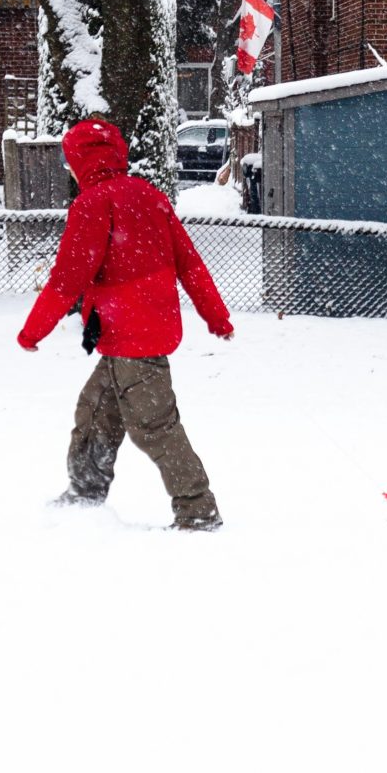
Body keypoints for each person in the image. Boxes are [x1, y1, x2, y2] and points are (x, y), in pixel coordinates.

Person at [19, 118, 235, 530]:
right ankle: (84, 494)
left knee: (155, 427)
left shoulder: (93, 204)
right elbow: (191, 266)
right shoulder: (149, 195)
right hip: (124, 337)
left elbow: (67, 280)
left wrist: (33, 332)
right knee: (96, 410)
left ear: (80, 162)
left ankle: (197, 510)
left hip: (135, 339)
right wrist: (215, 316)